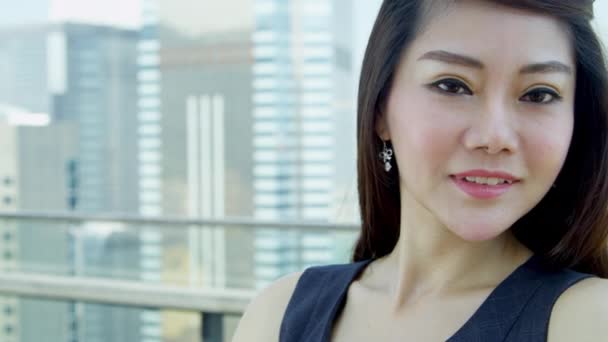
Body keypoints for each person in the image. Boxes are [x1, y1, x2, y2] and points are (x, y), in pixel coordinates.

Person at [232, 0, 608, 341]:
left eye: (539, 94)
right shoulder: (279, 313)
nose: (494, 137)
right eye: (452, 85)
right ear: (381, 110)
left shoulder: (587, 319)